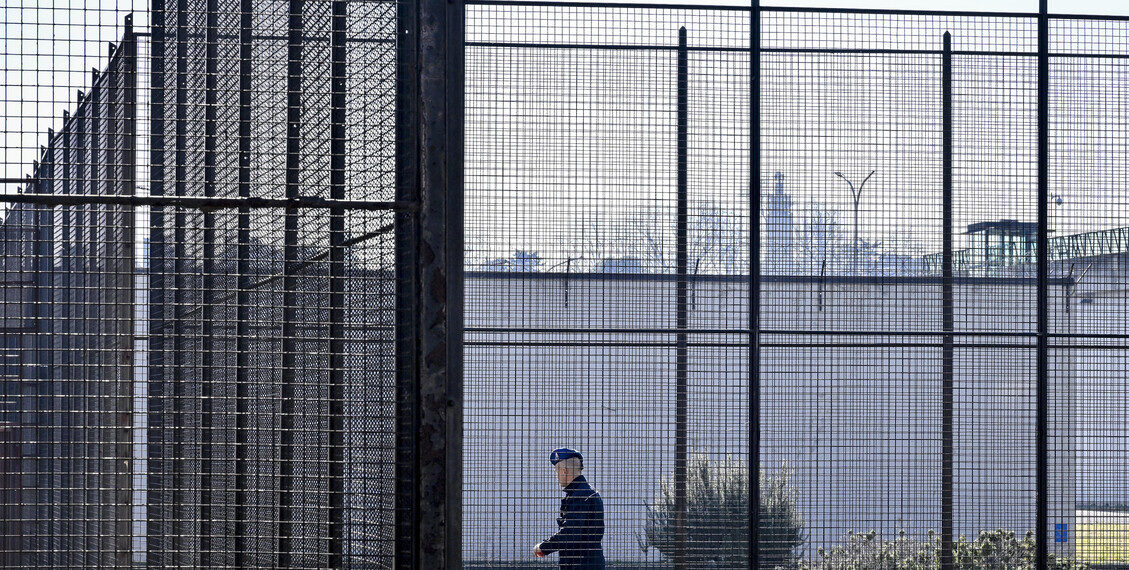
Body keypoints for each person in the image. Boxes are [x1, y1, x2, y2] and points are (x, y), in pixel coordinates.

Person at [533, 448, 605, 569]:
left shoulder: (579, 495)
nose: (556, 476)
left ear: (564, 471)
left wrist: (543, 547)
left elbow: (571, 532)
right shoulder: (587, 492)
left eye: (557, 472)